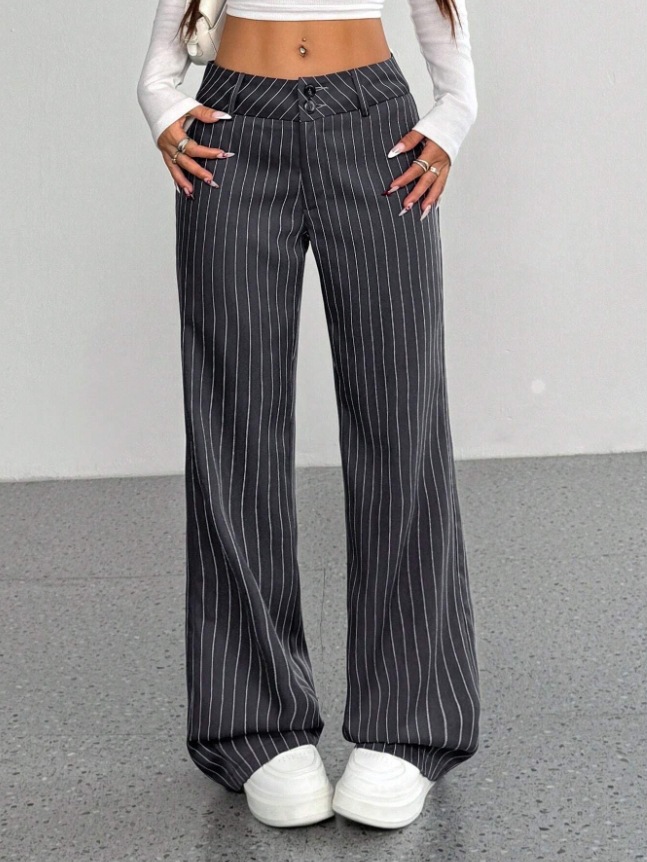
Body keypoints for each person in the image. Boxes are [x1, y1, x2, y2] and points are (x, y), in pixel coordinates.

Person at [137, 0, 480, 831]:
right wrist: (160, 101)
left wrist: (452, 117)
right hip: (233, 130)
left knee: (401, 424)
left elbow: (445, 22)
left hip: (375, 133)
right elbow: (165, 50)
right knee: (232, 426)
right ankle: (254, 726)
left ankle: (408, 725)